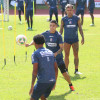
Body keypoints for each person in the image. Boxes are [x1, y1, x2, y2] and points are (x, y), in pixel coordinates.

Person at [26, 20, 75, 91]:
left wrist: (56, 53)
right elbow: (36, 40)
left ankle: (70, 85)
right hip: (48, 58)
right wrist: (29, 44)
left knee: (64, 73)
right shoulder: (45, 34)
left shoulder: (58, 36)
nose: (52, 27)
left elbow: (62, 48)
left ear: (56, 26)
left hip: (58, 58)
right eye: (50, 25)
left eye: (53, 26)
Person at [29, 34, 58, 100]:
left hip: (42, 81)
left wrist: (32, 85)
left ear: (35, 43)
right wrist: (55, 82)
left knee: (33, 98)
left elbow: (35, 71)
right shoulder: (50, 52)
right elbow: (56, 69)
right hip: (52, 81)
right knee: (43, 96)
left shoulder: (35, 54)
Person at [60, 4, 84, 74]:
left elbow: (80, 28)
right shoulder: (63, 19)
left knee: (76, 55)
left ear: (73, 10)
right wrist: (58, 39)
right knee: (66, 55)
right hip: (66, 40)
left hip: (75, 40)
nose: (69, 11)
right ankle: (66, 70)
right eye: (68, 10)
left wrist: (82, 37)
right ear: (66, 11)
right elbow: (61, 30)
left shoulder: (77, 18)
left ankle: (76, 70)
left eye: (70, 10)